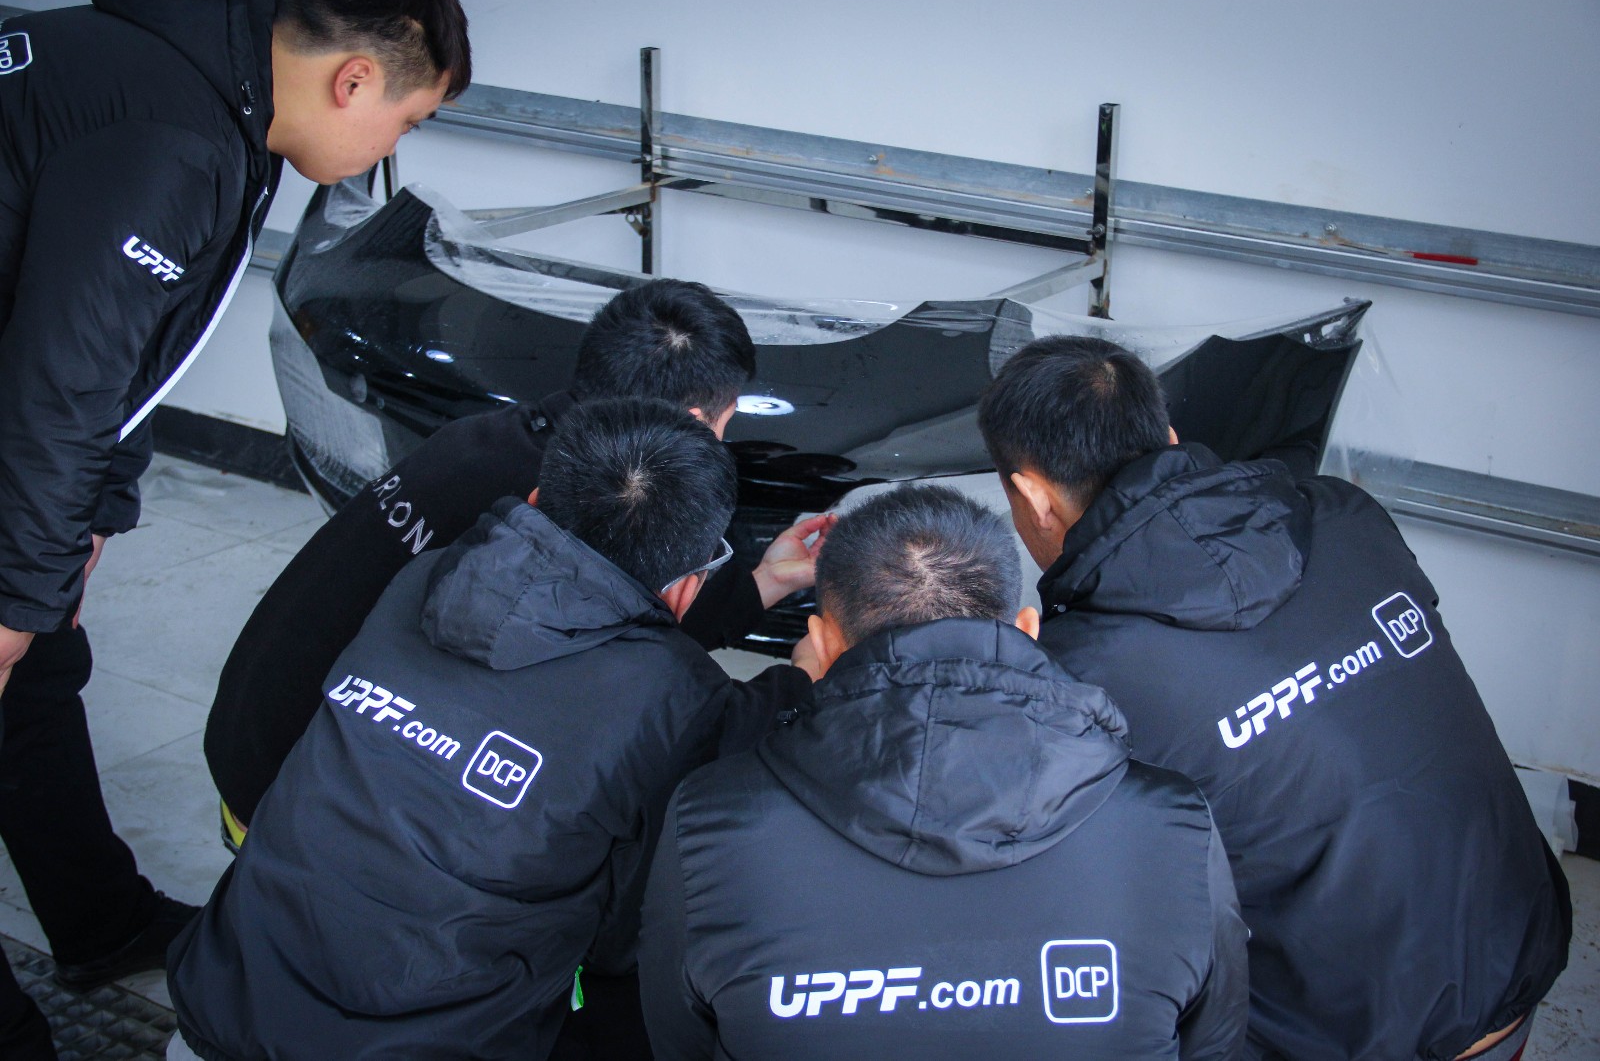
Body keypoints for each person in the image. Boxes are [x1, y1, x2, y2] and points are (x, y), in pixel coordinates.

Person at [0, 0, 469, 1053]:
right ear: (354, 80)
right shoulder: (177, 135)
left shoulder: (196, 86)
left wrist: (86, 520)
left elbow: (117, 344)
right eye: (405, 124)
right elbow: (58, 388)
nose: (386, 152)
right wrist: (14, 596)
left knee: (38, 668)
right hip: (22, 414)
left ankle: (96, 917)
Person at [977, 336, 1572, 1061]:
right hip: (1522, 958)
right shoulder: (1345, 517)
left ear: (1033, 496)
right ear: (1168, 437)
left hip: (1351, 1043)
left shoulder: (1083, 676)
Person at [167, 398, 811, 1061]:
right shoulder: (673, 693)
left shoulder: (424, 577)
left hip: (219, 996)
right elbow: (624, 936)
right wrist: (807, 677)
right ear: (687, 588)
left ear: (535, 500)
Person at [204, 277, 831, 842]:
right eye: (724, 422)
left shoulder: (487, 440)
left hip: (247, 727)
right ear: (693, 420)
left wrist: (766, 580)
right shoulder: (576, 508)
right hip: (293, 797)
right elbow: (642, 666)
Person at [639, 485, 1250, 1061]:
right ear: (1028, 630)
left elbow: (679, 1039)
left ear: (822, 645)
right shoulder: (1172, 824)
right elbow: (1214, 1040)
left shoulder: (712, 823)